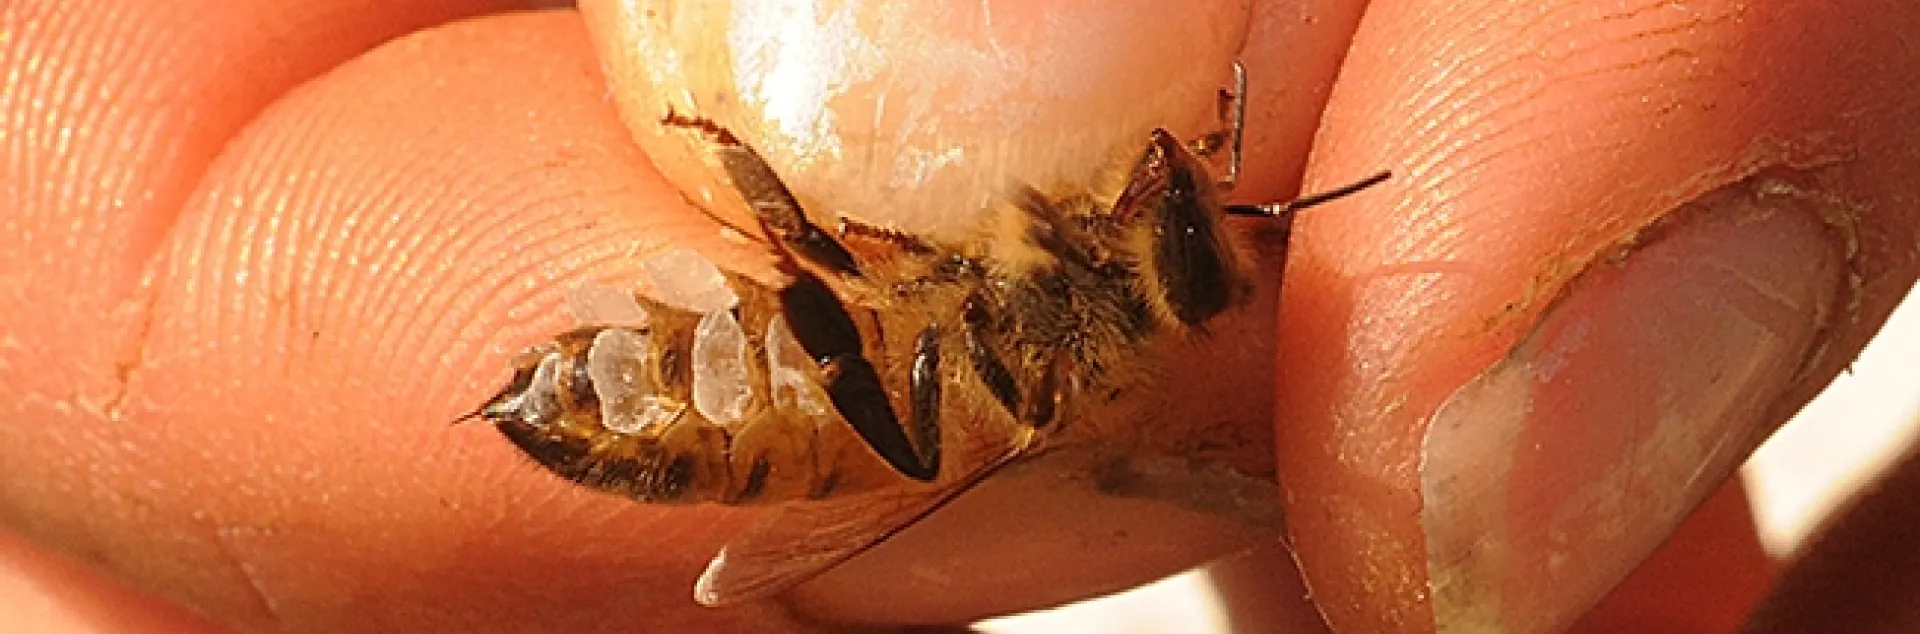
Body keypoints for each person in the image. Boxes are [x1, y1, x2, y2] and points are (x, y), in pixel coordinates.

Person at [1, 1, 1914, 632]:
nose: (1177, 193)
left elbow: (878, 239)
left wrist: (748, 157)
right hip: (771, 405)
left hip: (751, 392)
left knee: (832, 272)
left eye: (1175, 204)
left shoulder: (1035, 283)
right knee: (830, 298)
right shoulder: (1075, 323)